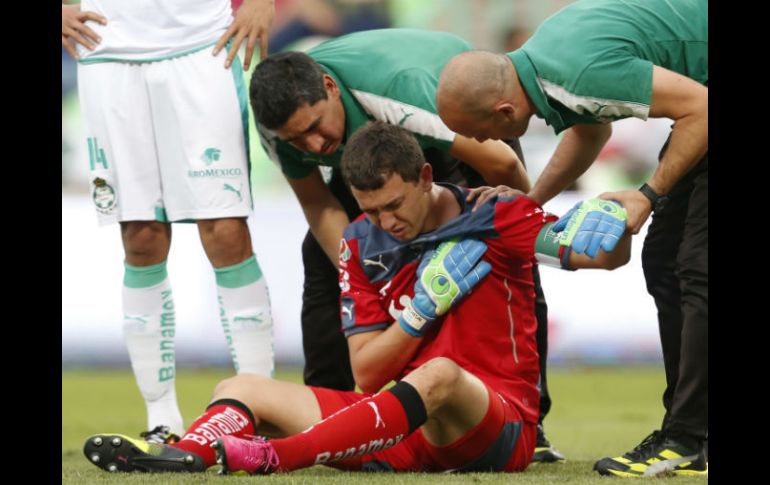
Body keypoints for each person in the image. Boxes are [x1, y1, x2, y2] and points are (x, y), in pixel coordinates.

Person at [82, 121, 631, 475]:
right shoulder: (358, 245)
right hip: (406, 424)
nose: (387, 223)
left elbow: (598, 256)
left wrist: (619, 221)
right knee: (239, 387)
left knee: (439, 373)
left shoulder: (496, 214)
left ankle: (274, 457)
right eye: (371, 211)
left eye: (395, 205)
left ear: (424, 176)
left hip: (497, 424)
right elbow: (367, 374)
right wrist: (420, 310)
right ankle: (181, 459)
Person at [250, 29, 567, 462]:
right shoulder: (279, 124)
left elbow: (502, 164)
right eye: (296, 140)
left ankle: (531, 419)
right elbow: (318, 204)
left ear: (329, 88)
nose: (312, 145)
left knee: (502, 252)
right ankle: (331, 415)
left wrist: (520, 223)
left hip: (457, 130)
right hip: (369, 162)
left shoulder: (400, 90)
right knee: (320, 261)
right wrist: (361, 273)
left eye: (313, 127)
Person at [436, 0, 707, 477]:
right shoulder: (550, 61)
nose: (480, 146)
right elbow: (590, 130)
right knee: (666, 264)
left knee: (696, 270)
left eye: (479, 134)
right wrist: (534, 198)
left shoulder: (575, 70)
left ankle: (688, 436)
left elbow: (702, 109)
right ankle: (689, 432)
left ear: (504, 111)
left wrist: (649, 193)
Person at [61, 0, 277, 442]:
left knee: (225, 230)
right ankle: (162, 419)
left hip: (203, 43)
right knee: (140, 237)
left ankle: (261, 408)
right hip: (106, 48)